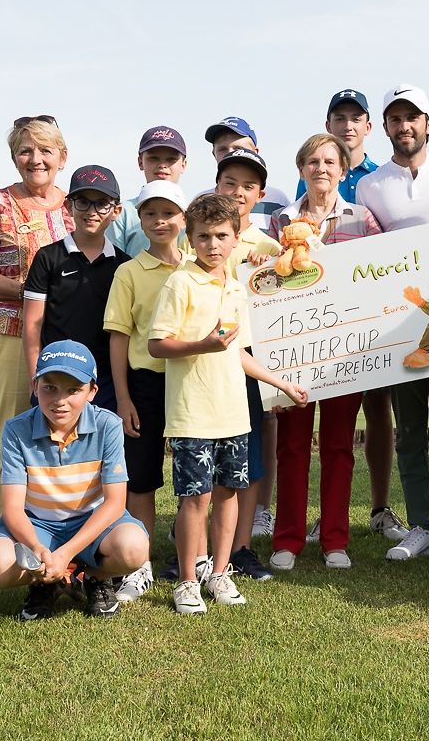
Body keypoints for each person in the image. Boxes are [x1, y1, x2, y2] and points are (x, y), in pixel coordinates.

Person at [148, 194, 307, 614]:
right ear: (190, 238)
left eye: (221, 236)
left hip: (234, 413)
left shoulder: (237, 288)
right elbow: (157, 345)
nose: (213, 245)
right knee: (195, 499)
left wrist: (282, 383)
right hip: (192, 414)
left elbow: (238, 352)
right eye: (203, 237)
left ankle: (220, 573)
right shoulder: (180, 282)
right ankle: (187, 581)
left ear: (237, 238)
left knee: (229, 493)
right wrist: (202, 345)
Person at [357, 84, 429, 565]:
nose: (404, 126)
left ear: (428, 124)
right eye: (395, 119)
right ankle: (421, 524)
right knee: (408, 428)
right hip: (400, 324)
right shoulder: (370, 185)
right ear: (385, 127)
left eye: (412, 117)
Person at [267, 133, 383, 571]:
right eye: (313, 161)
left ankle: (335, 539)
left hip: (345, 352)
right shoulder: (280, 221)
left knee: (338, 445)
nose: (321, 169)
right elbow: (265, 281)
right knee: (292, 446)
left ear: (343, 170)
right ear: (301, 169)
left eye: (330, 162)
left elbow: (381, 276)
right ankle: (287, 540)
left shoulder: (362, 218)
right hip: (293, 352)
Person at [0, 340, 150, 621]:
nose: (60, 400)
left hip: (90, 520)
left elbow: (115, 503)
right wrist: (40, 551)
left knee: (134, 548)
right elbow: (12, 509)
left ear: (92, 392)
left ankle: (95, 577)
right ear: (34, 386)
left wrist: (66, 554)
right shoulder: (16, 430)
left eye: (73, 390)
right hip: (38, 524)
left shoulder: (108, 425)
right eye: (50, 388)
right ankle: (45, 582)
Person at [0, 116, 73, 507]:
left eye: (45, 151)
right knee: (9, 434)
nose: (36, 159)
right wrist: (29, 291)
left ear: (63, 157)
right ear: (14, 158)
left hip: (64, 336)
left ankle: (54, 525)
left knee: (63, 437)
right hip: (8, 333)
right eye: (26, 151)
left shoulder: (76, 205)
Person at [102, 179, 189, 602]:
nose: (160, 221)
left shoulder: (197, 266)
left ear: (183, 219)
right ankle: (141, 565)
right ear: (139, 219)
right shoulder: (129, 272)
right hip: (145, 383)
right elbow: (119, 336)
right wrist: (123, 397)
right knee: (141, 477)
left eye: (169, 213)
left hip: (191, 379)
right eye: (151, 213)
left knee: (193, 473)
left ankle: (193, 557)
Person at [209, 148, 284, 581]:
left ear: (260, 194)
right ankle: (196, 547)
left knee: (249, 454)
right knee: (203, 452)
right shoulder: (196, 236)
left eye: (248, 186)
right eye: (230, 183)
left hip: (251, 362)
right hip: (203, 362)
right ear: (217, 185)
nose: (238, 192)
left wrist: (266, 268)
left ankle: (241, 548)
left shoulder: (268, 246)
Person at [23, 165, 130, 412]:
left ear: (116, 211)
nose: (91, 211)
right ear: (68, 206)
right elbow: (32, 325)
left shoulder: (124, 265)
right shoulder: (48, 258)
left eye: (101, 203)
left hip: (104, 380)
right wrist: (35, 379)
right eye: (82, 202)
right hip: (54, 375)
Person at [106, 125, 188, 256]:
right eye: (153, 158)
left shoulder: (194, 213)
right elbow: (114, 261)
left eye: (171, 159)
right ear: (140, 162)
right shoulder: (123, 213)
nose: (162, 165)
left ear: (183, 164)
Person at [204, 116, 292, 232]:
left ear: (255, 152)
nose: (230, 153)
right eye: (222, 149)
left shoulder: (278, 199)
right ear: (214, 154)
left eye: (238, 148)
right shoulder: (202, 202)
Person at [296, 88, 380, 203]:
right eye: (340, 119)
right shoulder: (314, 174)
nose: (348, 127)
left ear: (367, 127)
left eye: (356, 119)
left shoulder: (380, 176)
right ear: (328, 126)